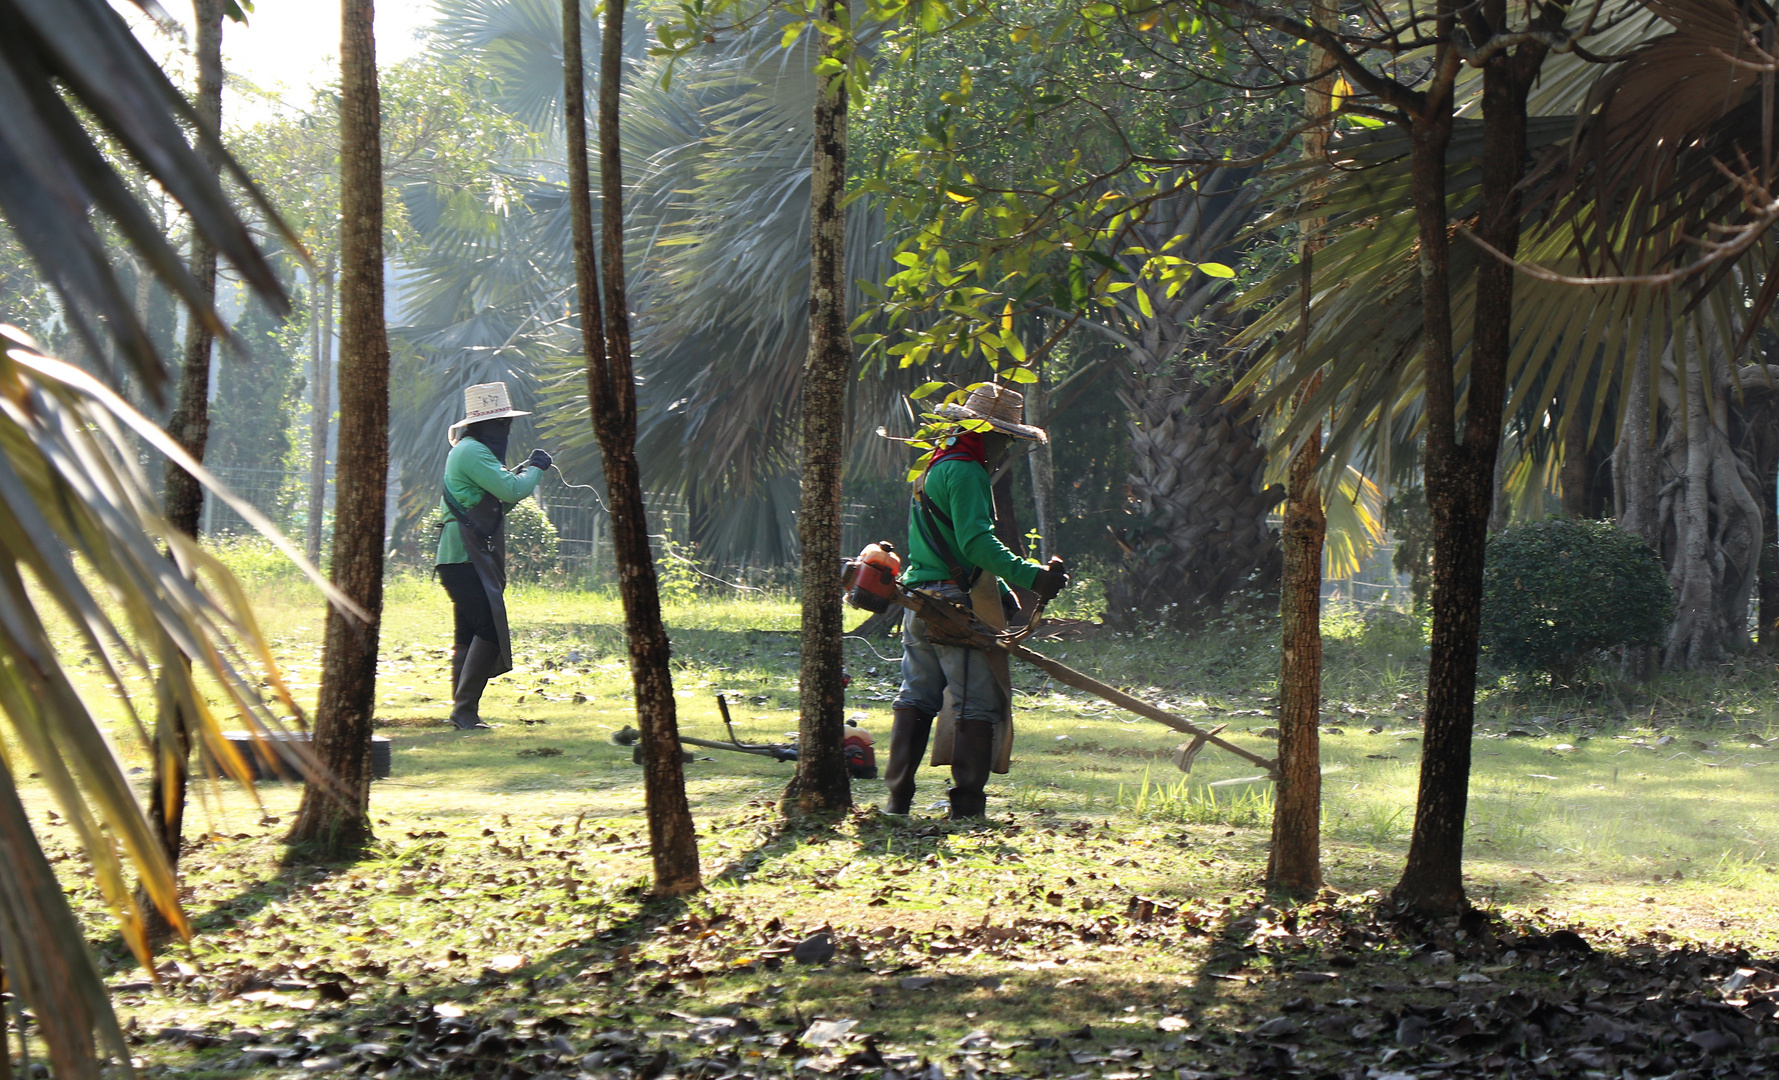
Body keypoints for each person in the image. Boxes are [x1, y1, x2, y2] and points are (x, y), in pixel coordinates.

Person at [886, 383, 1070, 819]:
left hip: (919, 598)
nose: (1006, 445)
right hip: (952, 606)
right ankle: (967, 810)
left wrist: (1005, 590)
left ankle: (897, 802)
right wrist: (1033, 577)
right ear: (986, 432)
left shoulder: (935, 465)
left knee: (916, 697)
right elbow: (975, 545)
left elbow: (950, 544)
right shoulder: (966, 470)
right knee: (977, 704)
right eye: (1004, 436)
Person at [435, 381, 554, 730]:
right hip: (464, 557)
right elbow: (511, 489)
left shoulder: (470, 450)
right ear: (484, 425)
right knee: (489, 628)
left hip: (458, 556)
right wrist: (535, 469)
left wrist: (523, 473)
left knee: (469, 632)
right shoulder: (473, 452)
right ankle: (464, 710)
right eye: (500, 423)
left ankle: (462, 710)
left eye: (507, 423)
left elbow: (500, 497)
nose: (505, 429)